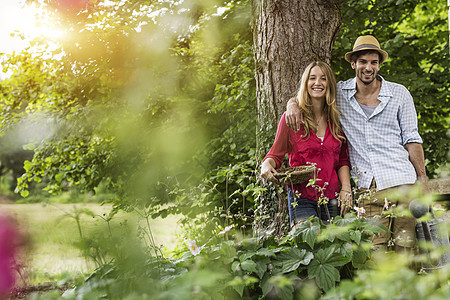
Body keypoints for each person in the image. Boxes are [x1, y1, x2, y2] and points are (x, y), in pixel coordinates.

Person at [285, 35, 428, 251]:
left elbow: (412, 139)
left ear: (379, 65)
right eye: (363, 62)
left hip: (403, 182)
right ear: (353, 64)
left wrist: (422, 179)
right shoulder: (340, 94)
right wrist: (292, 104)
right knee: (373, 253)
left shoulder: (399, 94)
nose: (368, 67)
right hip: (368, 187)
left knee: (405, 249)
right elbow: (313, 92)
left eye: (373, 62)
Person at [261, 61, 352, 228]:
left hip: (332, 198)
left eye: (323, 79)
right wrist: (266, 164)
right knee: (308, 241)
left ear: (329, 84)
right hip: (301, 197)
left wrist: (346, 189)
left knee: (332, 249)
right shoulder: (292, 118)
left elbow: (343, 160)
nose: (318, 83)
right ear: (306, 83)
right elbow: (275, 154)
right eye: (312, 78)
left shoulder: (338, 120)